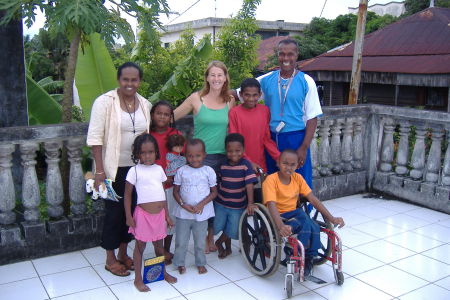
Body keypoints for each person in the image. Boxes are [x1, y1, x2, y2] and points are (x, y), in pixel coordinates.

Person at [87, 62, 151, 277]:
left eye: (134, 80)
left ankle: (124, 253)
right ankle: (110, 258)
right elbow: (95, 138)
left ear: (139, 81)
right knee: (113, 214)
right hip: (112, 170)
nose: (130, 84)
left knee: (131, 213)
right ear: (119, 80)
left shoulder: (145, 104)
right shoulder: (104, 103)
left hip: (137, 171)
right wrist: (99, 171)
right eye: (126, 79)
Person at [234, 39, 322, 188]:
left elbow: (312, 118)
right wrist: (207, 94)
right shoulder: (267, 79)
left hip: (296, 138)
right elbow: (239, 93)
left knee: (300, 182)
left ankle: (302, 211)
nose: (286, 58)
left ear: (297, 55)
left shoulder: (307, 81)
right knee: (273, 182)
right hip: (271, 140)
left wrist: (303, 147)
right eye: (282, 54)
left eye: (290, 54)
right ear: (277, 55)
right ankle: (276, 211)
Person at [174, 60, 236, 253]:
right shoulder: (196, 98)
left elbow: (234, 128)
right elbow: (171, 117)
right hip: (201, 159)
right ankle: (201, 237)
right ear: (207, 78)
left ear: (225, 78)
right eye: (213, 75)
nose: (216, 79)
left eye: (220, 75)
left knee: (218, 199)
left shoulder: (230, 100)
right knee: (202, 197)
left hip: (224, 158)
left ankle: (211, 237)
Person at [262, 149, 345, 276]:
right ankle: (304, 254)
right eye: (285, 163)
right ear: (278, 163)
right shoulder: (271, 180)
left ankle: (309, 256)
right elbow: (271, 205)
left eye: (292, 165)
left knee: (313, 225)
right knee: (305, 221)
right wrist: (280, 226)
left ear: (297, 165)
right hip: (278, 216)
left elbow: (313, 199)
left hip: (295, 213)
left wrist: (332, 218)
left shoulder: (298, 178)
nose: (288, 167)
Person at [124, 134, 177, 292]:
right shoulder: (134, 171)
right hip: (143, 216)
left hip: (159, 216)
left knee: (159, 247)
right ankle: (138, 279)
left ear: (156, 152)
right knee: (139, 247)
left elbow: (162, 193)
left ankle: (162, 272)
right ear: (137, 154)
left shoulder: (159, 169)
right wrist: (128, 216)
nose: (147, 156)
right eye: (143, 152)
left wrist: (167, 215)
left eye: (151, 152)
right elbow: (127, 195)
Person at [172, 139, 218, 274]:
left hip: (201, 213)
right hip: (183, 214)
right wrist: (183, 204)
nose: (194, 159)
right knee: (181, 241)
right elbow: (175, 191)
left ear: (204, 155)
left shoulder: (208, 171)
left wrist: (201, 204)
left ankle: (201, 262)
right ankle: (180, 263)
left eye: (198, 155)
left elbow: (214, 192)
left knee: (200, 242)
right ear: (186, 156)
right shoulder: (181, 171)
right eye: (190, 156)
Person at [150, 100, 184, 264]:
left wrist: (171, 175)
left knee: (170, 219)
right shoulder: (147, 134)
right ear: (152, 115)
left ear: (171, 117)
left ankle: (167, 249)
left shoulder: (175, 134)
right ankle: (159, 251)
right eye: (159, 113)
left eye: (166, 114)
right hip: (151, 186)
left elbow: (179, 158)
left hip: (170, 185)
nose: (162, 117)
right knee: (155, 219)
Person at [214, 133, 258, 259]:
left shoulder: (246, 165)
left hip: (238, 206)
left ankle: (219, 242)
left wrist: (250, 203)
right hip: (221, 203)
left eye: (238, 150)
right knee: (219, 225)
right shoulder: (222, 164)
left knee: (233, 229)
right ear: (226, 151)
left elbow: (250, 184)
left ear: (243, 150)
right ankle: (227, 249)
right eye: (230, 151)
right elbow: (218, 181)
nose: (234, 154)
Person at [228, 78, 280, 173]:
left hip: (261, 164)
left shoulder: (265, 111)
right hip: (240, 163)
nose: (251, 99)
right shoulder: (234, 113)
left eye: (255, 95)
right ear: (241, 95)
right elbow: (234, 143)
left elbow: (266, 139)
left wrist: (278, 157)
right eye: (247, 95)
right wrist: (248, 162)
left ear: (260, 95)